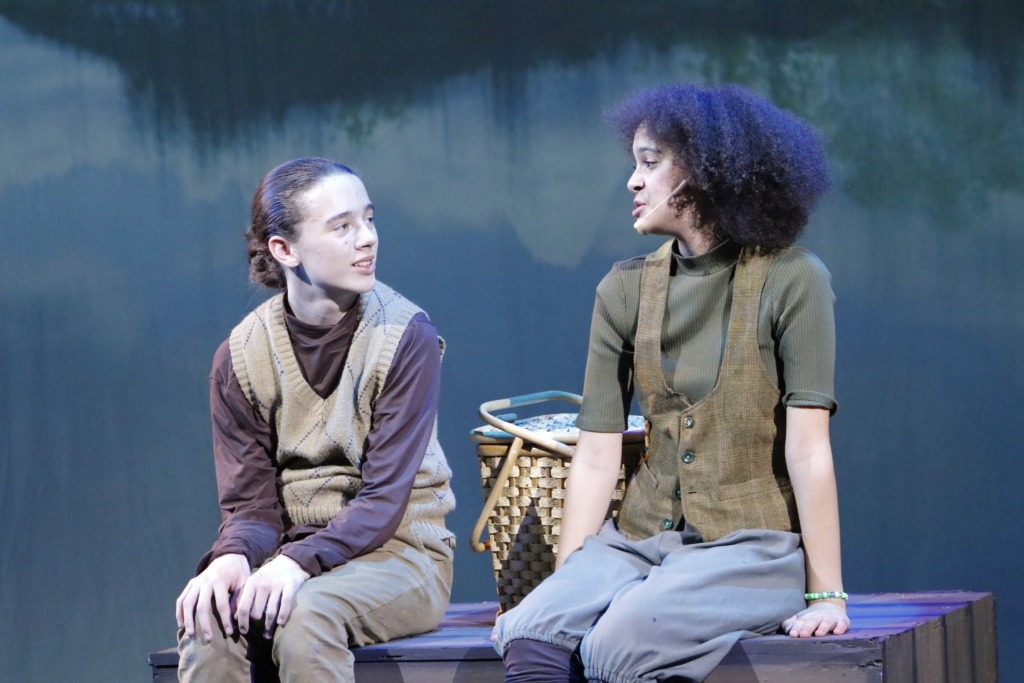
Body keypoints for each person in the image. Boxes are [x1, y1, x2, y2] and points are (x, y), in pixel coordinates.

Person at [494, 84, 849, 682]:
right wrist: (568, 585)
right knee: (531, 631)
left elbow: (809, 448)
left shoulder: (793, 279)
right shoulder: (623, 289)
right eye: (634, 163)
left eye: (650, 163)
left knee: (617, 649)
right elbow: (597, 455)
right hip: (637, 541)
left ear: (708, 171)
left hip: (752, 549)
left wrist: (827, 593)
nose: (633, 182)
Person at [174, 157, 456, 682]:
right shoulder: (239, 357)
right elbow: (252, 506)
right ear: (284, 250)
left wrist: (298, 564)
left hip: (400, 554)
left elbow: (383, 502)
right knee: (209, 617)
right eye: (342, 226)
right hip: (293, 553)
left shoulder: (403, 336)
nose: (367, 239)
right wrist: (232, 556)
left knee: (304, 617)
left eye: (368, 220)